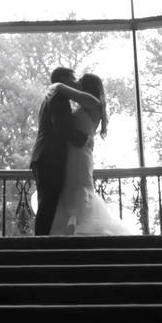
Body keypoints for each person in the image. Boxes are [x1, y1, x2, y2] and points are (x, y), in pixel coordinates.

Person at [47, 73, 133, 236]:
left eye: (80, 81)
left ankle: (82, 231)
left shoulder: (94, 103)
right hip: (73, 154)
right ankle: (70, 230)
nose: (76, 83)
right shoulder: (84, 106)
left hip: (80, 157)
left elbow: (71, 93)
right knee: (70, 192)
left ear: (88, 86)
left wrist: (57, 85)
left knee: (80, 189)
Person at [30, 67, 88, 236]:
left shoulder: (53, 96)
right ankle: (40, 248)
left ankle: (44, 244)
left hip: (46, 157)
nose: (75, 82)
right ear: (63, 79)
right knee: (47, 204)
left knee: (48, 204)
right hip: (49, 158)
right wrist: (85, 140)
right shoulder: (59, 96)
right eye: (72, 78)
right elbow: (62, 126)